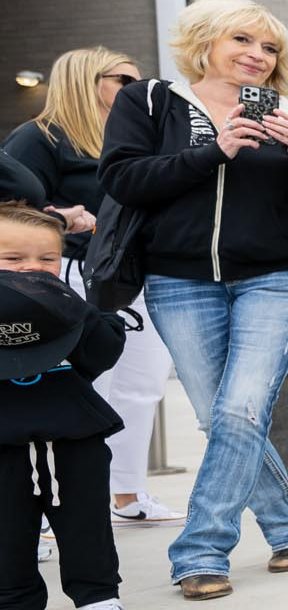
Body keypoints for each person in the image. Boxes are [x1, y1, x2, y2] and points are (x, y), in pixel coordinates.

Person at [99, 0, 288, 600]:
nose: (258, 56)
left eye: (269, 48)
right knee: (220, 417)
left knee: (239, 410)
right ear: (205, 41)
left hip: (282, 278)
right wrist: (213, 150)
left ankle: (201, 548)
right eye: (243, 40)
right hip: (179, 280)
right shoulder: (152, 100)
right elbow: (123, 177)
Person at [11, 47, 180, 523]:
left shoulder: (130, 140)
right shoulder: (40, 138)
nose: (135, 88)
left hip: (136, 275)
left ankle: (127, 493)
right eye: (123, 79)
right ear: (87, 80)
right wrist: (63, 220)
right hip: (71, 277)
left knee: (143, 385)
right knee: (81, 387)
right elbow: (11, 211)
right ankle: (46, 509)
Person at [0, 206, 133, 610]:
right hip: (4, 438)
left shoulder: (70, 305)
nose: (32, 269)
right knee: (6, 524)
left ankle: (99, 599)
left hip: (73, 434)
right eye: (13, 259)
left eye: (46, 259)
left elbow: (99, 356)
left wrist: (76, 312)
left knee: (85, 520)